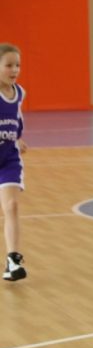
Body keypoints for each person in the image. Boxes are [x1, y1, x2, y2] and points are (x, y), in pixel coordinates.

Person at [0, 44, 27, 281]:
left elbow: (16, 119)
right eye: (8, 65)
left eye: (17, 65)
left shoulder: (19, 93)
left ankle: (13, 259)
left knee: (12, 207)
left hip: (8, 158)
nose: (14, 69)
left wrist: (18, 139)